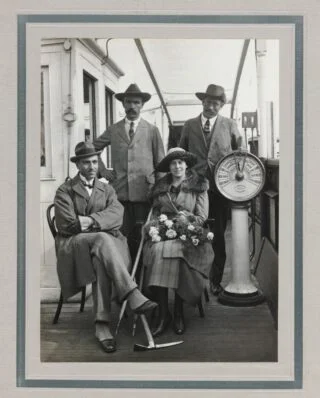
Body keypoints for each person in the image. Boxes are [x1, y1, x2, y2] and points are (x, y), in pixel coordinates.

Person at [54, 141, 157, 354]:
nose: (91, 167)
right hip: (75, 244)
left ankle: (102, 326)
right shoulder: (65, 190)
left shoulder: (106, 189)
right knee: (101, 238)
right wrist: (97, 224)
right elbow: (68, 224)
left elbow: (117, 216)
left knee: (100, 258)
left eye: (94, 162)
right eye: (86, 163)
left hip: (107, 246)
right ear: (78, 165)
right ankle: (131, 293)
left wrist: (89, 220)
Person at [142, 148, 214, 336]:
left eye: (180, 162)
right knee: (157, 251)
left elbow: (202, 217)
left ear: (186, 164)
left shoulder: (199, 185)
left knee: (177, 253)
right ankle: (164, 313)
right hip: (164, 231)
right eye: (173, 163)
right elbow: (155, 213)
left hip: (189, 234)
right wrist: (156, 225)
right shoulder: (160, 187)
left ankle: (178, 311)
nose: (177, 166)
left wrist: (186, 219)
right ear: (169, 167)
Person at [179, 84, 242, 296]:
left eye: (215, 103)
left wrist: (234, 183)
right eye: (207, 102)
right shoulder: (189, 125)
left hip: (219, 191)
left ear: (221, 106)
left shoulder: (230, 125)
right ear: (202, 102)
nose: (210, 106)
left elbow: (240, 156)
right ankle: (193, 281)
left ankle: (215, 281)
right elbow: (180, 154)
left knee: (217, 236)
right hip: (193, 190)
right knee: (192, 231)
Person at [93, 83, 165, 262]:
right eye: (128, 102)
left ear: (142, 105)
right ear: (123, 104)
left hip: (145, 193)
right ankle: (124, 277)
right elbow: (93, 148)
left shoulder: (152, 130)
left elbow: (161, 164)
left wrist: (159, 191)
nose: (132, 106)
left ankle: (142, 282)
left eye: (136, 102)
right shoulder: (114, 129)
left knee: (144, 237)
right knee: (121, 236)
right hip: (120, 193)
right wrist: (103, 171)